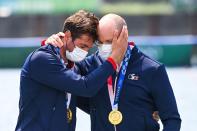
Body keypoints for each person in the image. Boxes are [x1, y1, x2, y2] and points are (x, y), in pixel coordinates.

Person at [47, 13, 181, 131]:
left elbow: (172, 120)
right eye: (100, 42)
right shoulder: (88, 66)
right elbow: (61, 74)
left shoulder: (152, 69)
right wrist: (53, 44)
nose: (104, 47)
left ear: (124, 35)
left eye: (109, 41)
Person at [15, 10, 128, 131]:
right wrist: (114, 59)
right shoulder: (42, 59)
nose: (84, 52)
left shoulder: (73, 67)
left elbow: (95, 102)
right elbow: (85, 87)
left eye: (88, 48)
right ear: (67, 35)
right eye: (82, 46)